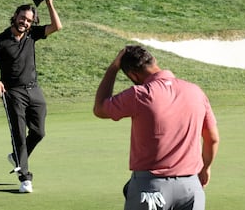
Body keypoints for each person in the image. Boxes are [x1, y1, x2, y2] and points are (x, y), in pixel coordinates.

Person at [93, 45, 219, 210]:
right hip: (190, 187)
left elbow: (100, 108)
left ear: (133, 74)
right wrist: (206, 168)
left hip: (151, 188)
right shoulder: (196, 91)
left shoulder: (140, 94)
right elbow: (213, 138)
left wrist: (113, 67)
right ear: (154, 61)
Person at [0, 0, 62, 193]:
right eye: (22, 18)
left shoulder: (32, 35)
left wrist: (50, 2)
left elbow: (57, 26)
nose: (25, 22)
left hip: (34, 91)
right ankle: (25, 178)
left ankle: (17, 157)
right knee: (18, 134)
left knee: (39, 132)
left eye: (29, 20)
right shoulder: (0, 40)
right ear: (15, 17)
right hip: (12, 92)